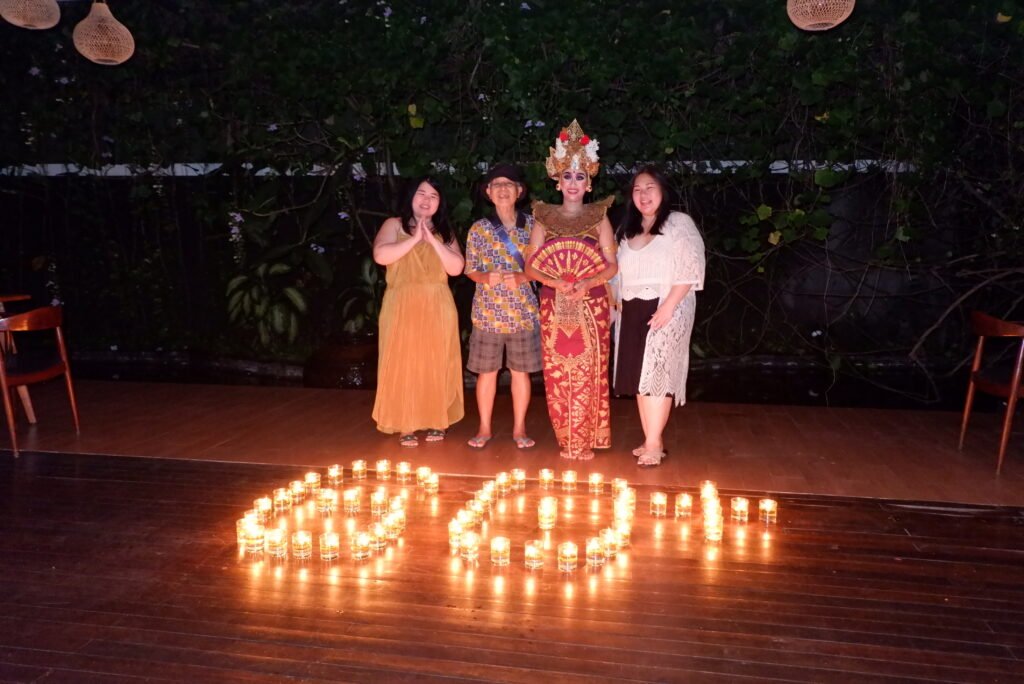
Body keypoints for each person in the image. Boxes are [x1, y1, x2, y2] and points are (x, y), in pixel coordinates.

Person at [524, 120, 618, 460]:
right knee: (558, 370)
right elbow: (531, 266)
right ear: (557, 179)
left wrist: (587, 283)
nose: (573, 183)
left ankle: (586, 438)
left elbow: (611, 266)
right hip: (554, 301)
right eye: (568, 176)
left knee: (589, 370)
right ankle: (567, 439)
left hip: (591, 303)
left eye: (580, 176)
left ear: (589, 182)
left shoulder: (600, 216)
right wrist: (555, 282)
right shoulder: (543, 217)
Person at [613, 165, 705, 467]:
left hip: (666, 306)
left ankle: (654, 443)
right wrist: (614, 305)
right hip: (632, 307)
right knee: (641, 376)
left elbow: (691, 267)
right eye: (637, 189)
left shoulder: (678, 223)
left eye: (650, 187)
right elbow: (615, 272)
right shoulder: (628, 229)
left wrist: (669, 306)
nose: (643, 194)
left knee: (659, 374)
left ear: (663, 191)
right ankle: (651, 437)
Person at [371, 177, 465, 446]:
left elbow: (456, 267)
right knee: (403, 360)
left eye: (433, 196)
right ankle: (406, 422)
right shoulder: (394, 225)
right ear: (410, 197)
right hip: (401, 303)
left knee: (437, 361)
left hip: (437, 304)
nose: (427, 200)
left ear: (440, 202)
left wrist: (432, 240)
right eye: (421, 194)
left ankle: (437, 420)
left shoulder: (445, 231)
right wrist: (414, 239)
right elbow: (381, 256)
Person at [464, 163, 542, 449]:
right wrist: (486, 277)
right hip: (488, 313)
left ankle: (519, 429)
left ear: (519, 191)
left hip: (523, 312)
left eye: (509, 184)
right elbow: (470, 269)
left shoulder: (534, 225)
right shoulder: (479, 229)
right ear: (488, 192)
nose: (503, 189)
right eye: (496, 184)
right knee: (487, 372)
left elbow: (545, 267)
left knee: (521, 372)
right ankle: (484, 428)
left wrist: (522, 276)